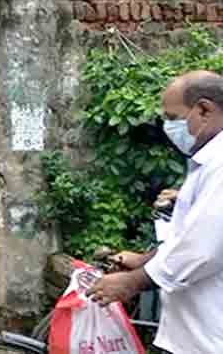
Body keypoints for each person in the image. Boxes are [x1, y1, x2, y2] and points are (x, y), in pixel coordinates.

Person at [87, 70, 223, 353]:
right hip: (194, 335)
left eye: (173, 119)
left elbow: (203, 249)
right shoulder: (206, 163)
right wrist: (143, 260)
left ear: (204, 110)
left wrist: (133, 282)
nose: (168, 128)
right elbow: (188, 237)